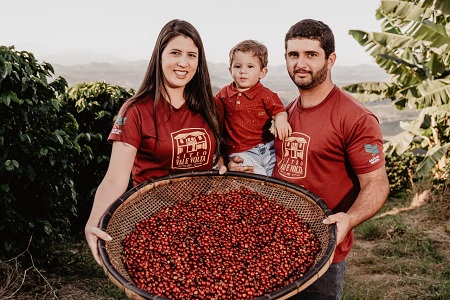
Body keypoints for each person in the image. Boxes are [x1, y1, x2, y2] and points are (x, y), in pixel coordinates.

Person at [229, 19, 390, 299]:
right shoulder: (286, 112)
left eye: (311, 55)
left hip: (323, 250)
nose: (300, 63)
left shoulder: (355, 117)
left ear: (331, 60)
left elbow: (377, 182)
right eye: (294, 55)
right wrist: (241, 165)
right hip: (275, 246)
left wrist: (349, 219)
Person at [85, 19, 226, 266]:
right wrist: (94, 220)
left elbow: (217, 155)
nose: (183, 62)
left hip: (204, 223)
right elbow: (115, 178)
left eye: (191, 55)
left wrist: (223, 162)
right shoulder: (136, 111)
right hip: (152, 220)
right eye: (175, 53)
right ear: (159, 56)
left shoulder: (211, 107)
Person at [216, 39, 291, 176]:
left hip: (268, 147)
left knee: (277, 175)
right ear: (230, 70)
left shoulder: (265, 95)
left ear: (262, 72)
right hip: (241, 152)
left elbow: (279, 111)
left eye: (250, 67)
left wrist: (280, 120)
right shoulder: (224, 94)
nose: (243, 71)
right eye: (237, 66)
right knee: (258, 177)